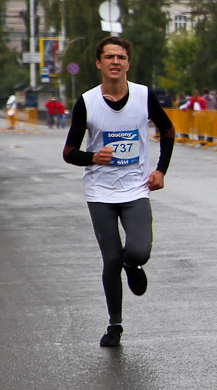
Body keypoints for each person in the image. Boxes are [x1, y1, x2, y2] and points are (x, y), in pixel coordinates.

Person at [62, 36, 176, 347]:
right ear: (98, 63)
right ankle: (115, 324)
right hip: (100, 191)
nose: (115, 62)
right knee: (110, 259)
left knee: (139, 251)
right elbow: (69, 152)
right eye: (109, 57)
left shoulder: (143, 95)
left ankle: (132, 264)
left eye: (121, 57)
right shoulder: (87, 102)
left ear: (128, 63)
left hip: (135, 188)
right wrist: (92, 157)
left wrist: (161, 170)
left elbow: (168, 131)